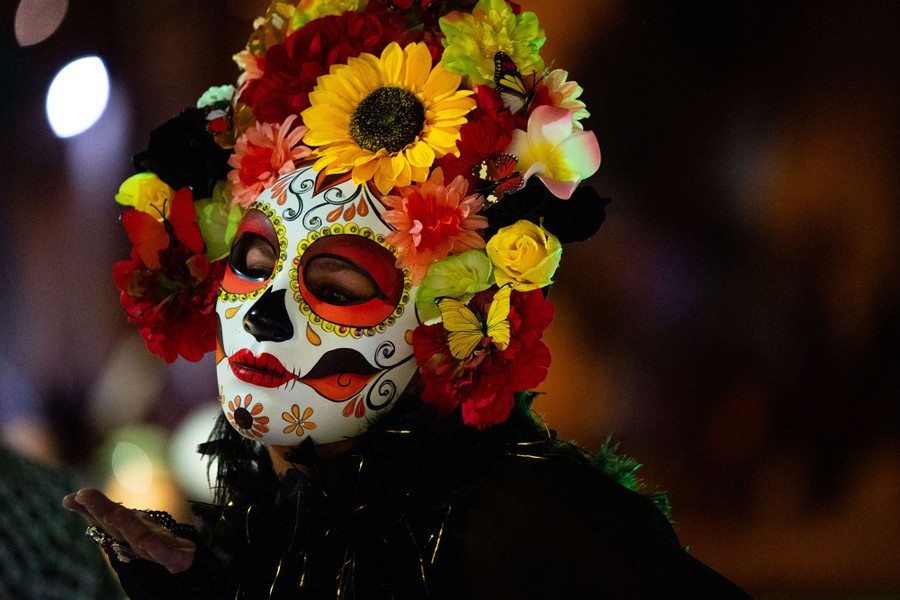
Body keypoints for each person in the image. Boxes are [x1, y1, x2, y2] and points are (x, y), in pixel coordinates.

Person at [64, 1, 751, 597]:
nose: (265, 314)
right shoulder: (292, 517)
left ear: (447, 322)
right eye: (253, 262)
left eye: (336, 287)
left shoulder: (527, 527)